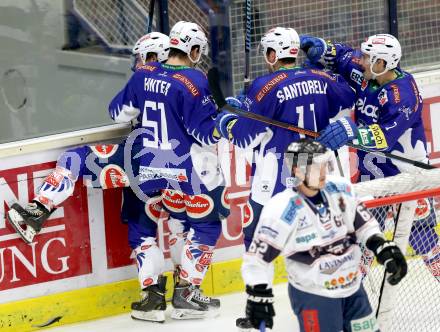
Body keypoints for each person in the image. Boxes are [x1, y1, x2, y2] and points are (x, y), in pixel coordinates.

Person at [7, 32, 184, 323]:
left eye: (141, 58)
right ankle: (183, 291)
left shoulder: (144, 80)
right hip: (179, 169)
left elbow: (118, 114)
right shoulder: (189, 82)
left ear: (151, 57)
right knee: (172, 227)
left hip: (141, 161)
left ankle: (37, 211)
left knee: (74, 158)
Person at [108, 21, 230, 319]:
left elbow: (117, 113)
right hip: (192, 170)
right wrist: (224, 121)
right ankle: (187, 294)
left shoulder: (144, 74)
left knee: (169, 227)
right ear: (194, 49)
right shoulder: (195, 80)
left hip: (154, 169)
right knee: (205, 225)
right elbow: (203, 133)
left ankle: (158, 299)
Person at [300, 34, 439, 277]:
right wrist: (322, 48)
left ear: (382, 64)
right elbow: (342, 56)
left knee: (424, 240)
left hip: (408, 177)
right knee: (361, 240)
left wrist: (350, 132)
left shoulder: (402, 94)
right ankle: (351, 304)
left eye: (367, 57)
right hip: (372, 179)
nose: (361, 61)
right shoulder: (367, 71)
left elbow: (385, 138)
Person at [240, 138, 407, 331]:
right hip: (314, 296)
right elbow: (257, 260)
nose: (322, 172)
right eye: (315, 167)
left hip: (353, 290)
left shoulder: (341, 189)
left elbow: (365, 226)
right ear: (297, 171)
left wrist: (381, 246)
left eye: (323, 165)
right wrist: (259, 293)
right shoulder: (281, 209)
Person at [214, 27, 356, 249]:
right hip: (315, 179)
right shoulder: (323, 77)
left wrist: (227, 119)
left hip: (273, 183)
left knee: (255, 244)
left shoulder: (263, 86)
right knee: (322, 244)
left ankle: (257, 285)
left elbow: (243, 139)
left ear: (272, 55)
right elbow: (349, 99)